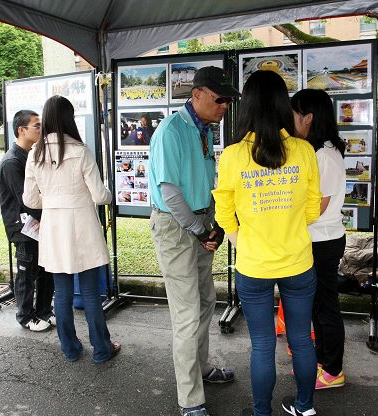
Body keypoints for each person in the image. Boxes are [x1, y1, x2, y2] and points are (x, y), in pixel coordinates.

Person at [212, 71, 321, 416]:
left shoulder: (232, 155)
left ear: (246, 105)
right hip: (299, 262)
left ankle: (262, 412)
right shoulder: (304, 150)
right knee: (301, 340)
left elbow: (225, 214)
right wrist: (286, 227)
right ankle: (305, 407)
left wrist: (244, 239)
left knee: (261, 345)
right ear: (282, 105)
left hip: (254, 265)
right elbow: (313, 210)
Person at [149, 66, 239, 416]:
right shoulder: (172, 130)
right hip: (177, 226)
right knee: (187, 313)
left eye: (228, 101)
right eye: (220, 100)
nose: (225, 107)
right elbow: (168, 191)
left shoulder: (204, 129)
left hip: (200, 221)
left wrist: (211, 223)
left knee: (204, 301)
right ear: (197, 94)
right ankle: (190, 399)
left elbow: (204, 179)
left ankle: (200, 371)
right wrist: (201, 230)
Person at [23, 95, 120, 364]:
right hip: (82, 225)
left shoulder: (35, 153)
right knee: (89, 292)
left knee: (61, 293)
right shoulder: (81, 150)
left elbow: (30, 200)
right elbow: (100, 196)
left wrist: (53, 202)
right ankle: (102, 349)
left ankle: (70, 350)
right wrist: (110, 193)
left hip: (53, 227)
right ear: (69, 118)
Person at [291, 89, 347, 390]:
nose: (290, 121)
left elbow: (317, 207)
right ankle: (322, 361)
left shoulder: (324, 155)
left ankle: (333, 370)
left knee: (326, 307)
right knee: (317, 305)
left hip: (322, 241)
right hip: (320, 239)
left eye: (294, 115)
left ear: (309, 117)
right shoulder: (320, 150)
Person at [0, 109, 55, 332]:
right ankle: (25, 316)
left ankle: (43, 312)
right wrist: (46, 217)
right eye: (36, 126)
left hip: (40, 224)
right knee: (26, 273)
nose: (41, 129)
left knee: (46, 271)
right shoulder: (12, 162)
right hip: (24, 228)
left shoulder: (32, 155)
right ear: (21, 130)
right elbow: (26, 199)